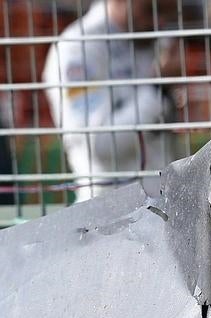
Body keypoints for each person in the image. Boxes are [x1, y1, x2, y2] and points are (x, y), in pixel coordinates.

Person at [43, 0, 181, 201]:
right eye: (151, 9)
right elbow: (99, 144)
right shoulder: (78, 46)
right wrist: (156, 89)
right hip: (107, 214)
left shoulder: (154, 39)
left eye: (166, 11)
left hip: (164, 205)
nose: (160, 21)